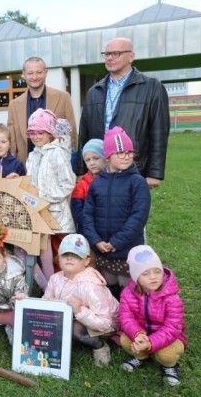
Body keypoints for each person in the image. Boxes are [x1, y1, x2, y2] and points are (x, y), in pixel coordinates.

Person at [78, 37, 170, 190]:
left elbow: (159, 131)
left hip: (134, 168)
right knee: (100, 212)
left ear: (131, 57)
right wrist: (81, 169)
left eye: (116, 53)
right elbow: (84, 133)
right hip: (99, 169)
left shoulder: (152, 87)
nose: (110, 58)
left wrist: (155, 172)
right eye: (106, 54)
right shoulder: (94, 91)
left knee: (130, 212)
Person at [82, 127, 151, 300]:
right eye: (120, 152)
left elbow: (138, 217)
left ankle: (130, 322)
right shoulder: (96, 184)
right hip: (103, 252)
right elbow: (87, 215)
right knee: (107, 289)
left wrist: (116, 242)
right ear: (108, 156)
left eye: (130, 152)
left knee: (129, 292)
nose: (126, 156)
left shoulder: (137, 182)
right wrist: (95, 240)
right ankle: (111, 321)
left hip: (127, 251)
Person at [42, 234, 119, 367]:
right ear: (58, 257)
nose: (70, 258)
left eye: (76, 255)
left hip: (106, 324)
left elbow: (105, 323)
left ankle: (100, 345)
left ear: (86, 261)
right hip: (75, 317)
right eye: (65, 254)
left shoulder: (91, 286)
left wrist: (79, 311)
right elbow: (45, 301)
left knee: (74, 330)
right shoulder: (55, 278)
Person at [119, 245, 187, 386]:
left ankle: (169, 366)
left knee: (166, 355)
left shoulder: (172, 299)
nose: (153, 277)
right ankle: (141, 356)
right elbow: (126, 317)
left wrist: (150, 342)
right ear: (135, 277)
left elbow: (172, 327)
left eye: (157, 271)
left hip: (170, 337)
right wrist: (137, 334)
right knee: (125, 340)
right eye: (145, 273)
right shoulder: (127, 294)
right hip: (142, 333)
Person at [25, 108, 76, 287]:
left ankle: (65, 289)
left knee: (59, 256)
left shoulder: (58, 153)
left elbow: (68, 184)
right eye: (32, 132)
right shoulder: (32, 156)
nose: (36, 137)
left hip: (56, 215)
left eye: (40, 132)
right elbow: (30, 182)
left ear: (50, 133)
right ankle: (49, 289)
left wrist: (43, 197)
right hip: (37, 213)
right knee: (40, 252)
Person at [7, 56, 77, 164]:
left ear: (46, 73)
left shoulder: (63, 97)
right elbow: (12, 141)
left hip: (56, 167)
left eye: (39, 72)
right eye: (30, 73)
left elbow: (71, 135)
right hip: (26, 168)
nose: (35, 77)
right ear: (24, 74)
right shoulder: (14, 105)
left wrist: (71, 163)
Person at [71, 139, 105, 234]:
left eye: (96, 158)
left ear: (105, 158)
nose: (92, 163)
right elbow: (78, 213)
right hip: (88, 231)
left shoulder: (114, 181)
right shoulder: (82, 185)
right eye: (87, 160)